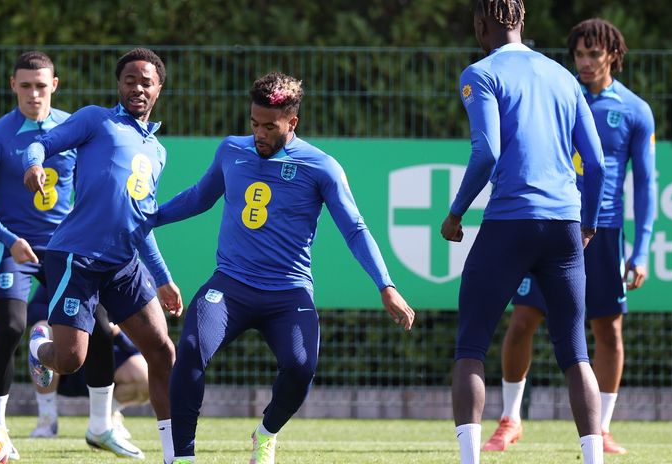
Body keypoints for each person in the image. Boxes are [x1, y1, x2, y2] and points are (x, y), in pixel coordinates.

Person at [155, 71, 415, 464]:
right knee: (190, 348)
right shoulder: (232, 150)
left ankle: (265, 433)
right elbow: (199, 197)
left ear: (292, 123)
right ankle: (183, 457)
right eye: (254, 123)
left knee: (300, 367)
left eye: (269, 127)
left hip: (288, 292)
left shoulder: (321, 166)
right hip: (231, 285)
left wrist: (386, 285)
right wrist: (151, 217)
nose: (259, 133)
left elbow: (355, 229)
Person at [440, 1, 608, 463]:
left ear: (480, 25)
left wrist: (455, 213)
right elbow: (594, 164)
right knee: (576, 352)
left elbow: (486, 152)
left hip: (510, 223)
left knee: (472, 344)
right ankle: (594, 459)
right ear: (522, 21)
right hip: (564, 227)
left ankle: (470, 460)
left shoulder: (481, 73)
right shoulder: (563, 77)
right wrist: (588, 223)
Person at [483, 18, 656, 455]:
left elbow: (647, 185)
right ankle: (509, 419)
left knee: (607, 331)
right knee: (522, 319)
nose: (584, 62)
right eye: (578, 54)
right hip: (553, 221)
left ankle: (601, 428)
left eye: (593, 54)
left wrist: (641, 250)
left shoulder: (634, 110)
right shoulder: (559, 92)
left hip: (603, 233)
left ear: (612, 55)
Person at [0, 51, 140, 459]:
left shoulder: (72, 129)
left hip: (66, 248)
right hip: (15, 248)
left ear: (54, 85)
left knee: (96, 323)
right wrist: (8, 239)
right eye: (25, 85)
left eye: (41, 85)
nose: (33, 93)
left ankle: (100, 427)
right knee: (10, 327)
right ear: (13, 86)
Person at [22, 47, 183, 464]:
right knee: (70, 361)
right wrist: (35, 165)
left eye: (146, 81)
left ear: (159, 88)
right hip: (76, 258)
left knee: (163, 352)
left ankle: (175, 455)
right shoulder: (97, 119)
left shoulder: (158, 153)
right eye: (130, 80)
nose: (137, 88)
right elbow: (43, 142)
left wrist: (163, 278)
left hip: (123, 264)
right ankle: (40, 347)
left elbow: (140, 222)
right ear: (119, 85)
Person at [26, 286, 151, 441]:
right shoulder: (65, 266)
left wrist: (118, 330)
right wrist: (70, 320)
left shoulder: (132, 274)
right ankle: (47, 419)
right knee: (41, 329)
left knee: (145, 375)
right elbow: (34, 310)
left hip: (109, 358)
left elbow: (143, 335)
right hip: (67, 355)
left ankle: (106, 416)